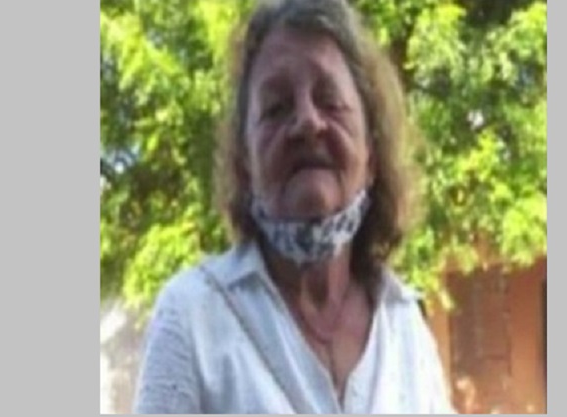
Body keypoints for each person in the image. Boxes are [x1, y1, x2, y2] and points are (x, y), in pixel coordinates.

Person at [133, 0, 453, 413]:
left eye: (330, 100)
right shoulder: (192, 317)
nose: (307, 122)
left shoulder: (405, 324)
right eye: (276, 108)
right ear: (245, 164)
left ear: (372, 154)